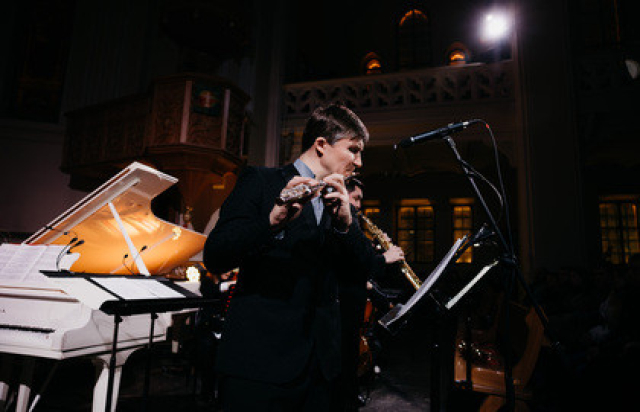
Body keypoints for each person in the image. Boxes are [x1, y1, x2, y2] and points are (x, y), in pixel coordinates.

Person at [203, 104, 374, 411]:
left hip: (321, 368)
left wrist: (346, 226)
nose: (359, 162)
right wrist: (272, 221)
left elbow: (365, 269)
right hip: (260, 362)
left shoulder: (341, 201)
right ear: (321, 145)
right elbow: (216, 255)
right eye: (353, 150)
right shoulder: (260, 180)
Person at [333, 178, 404, 411]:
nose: (358, 205)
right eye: (356, 198)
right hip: (341, 310)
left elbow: (358, 259)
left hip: (351, 308)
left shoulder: (352, 224)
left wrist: (376, 249)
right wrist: (384, 258)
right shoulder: (341, 222)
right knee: (343, 372)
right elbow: (352, 267)